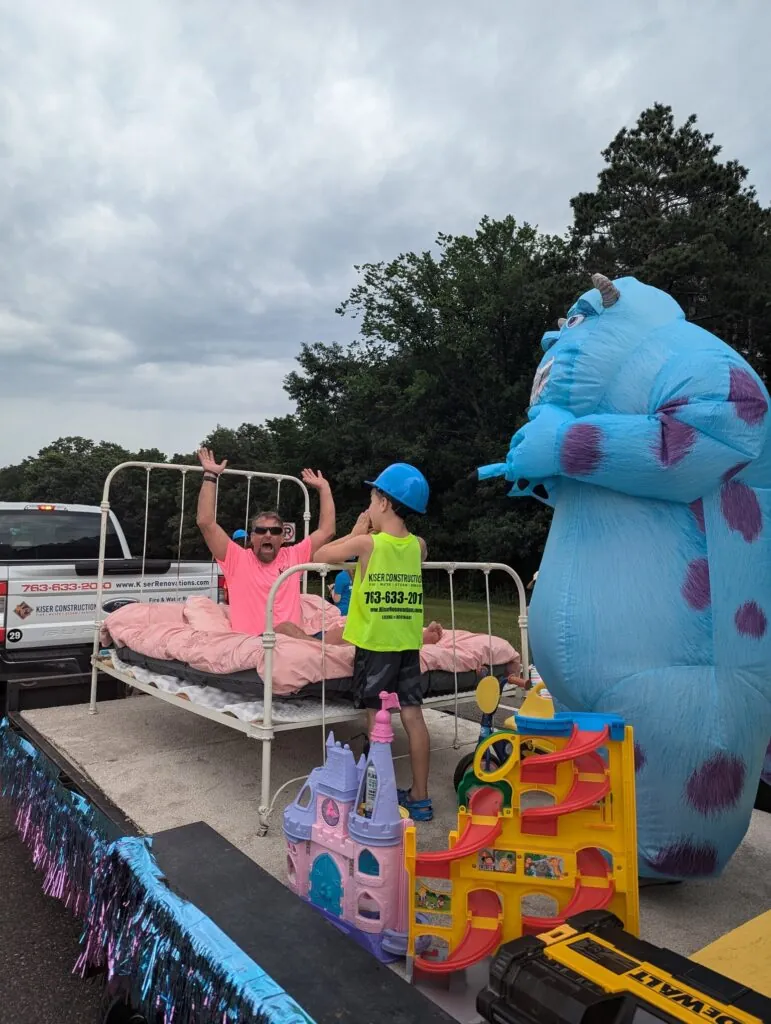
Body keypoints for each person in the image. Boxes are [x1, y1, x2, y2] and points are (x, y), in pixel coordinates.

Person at [314, 462, 440, 822]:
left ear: (384, 502)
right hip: (406, 646)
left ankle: (376, 799)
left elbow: (318, 556)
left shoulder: (367, 542)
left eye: (372, 498)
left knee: (377, 722)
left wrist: (355, 531)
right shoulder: (418, 546)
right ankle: (420, 796)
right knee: (413, 717)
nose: (369, 505)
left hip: (375, 647)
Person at [195, 447, 336, 637]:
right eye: (261, 531)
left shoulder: (293, 555)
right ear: (251, 537)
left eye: (275, 531)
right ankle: (318, 650)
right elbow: (205, 522)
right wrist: (210, 475)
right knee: (286, 629)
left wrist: (325, 488)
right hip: (258, 645)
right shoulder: (236, 558)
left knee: (344, 633)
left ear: (283, 537)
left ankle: (319, 649)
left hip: (293, 645)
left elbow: (327, 532)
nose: (268, 535)